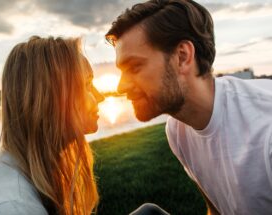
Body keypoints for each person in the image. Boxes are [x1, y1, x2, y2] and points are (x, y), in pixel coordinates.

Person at [105, 0, 272, 214]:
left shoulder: (265, 131)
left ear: (183, 56)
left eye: (135, 67)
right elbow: (215, 209)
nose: (121, 87)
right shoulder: (177, 129)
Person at [0, 36, 104, 215]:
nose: (100, 96)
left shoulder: (22, 172)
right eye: (87, 84)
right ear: (50, 98)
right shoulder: (12, 206)